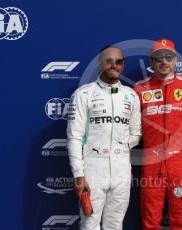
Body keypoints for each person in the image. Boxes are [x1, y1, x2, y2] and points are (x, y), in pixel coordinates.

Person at [67, 46, 141, 230]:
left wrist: (118, 149)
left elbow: (136, 133)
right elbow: (74, 136)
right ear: (100, 63)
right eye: (109, 61)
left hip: (121, 169)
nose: (113, 65)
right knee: (89, 223)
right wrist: (79, 173)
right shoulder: (84, 94)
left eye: (119, 61)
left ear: (123, 65)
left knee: (115, 224)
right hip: (93, 169)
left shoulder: (131, 96)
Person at [134, 38, 182, 229]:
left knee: (181, 216)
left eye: (168, 57)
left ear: (175, 60)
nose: (164, 61)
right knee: (149, 217)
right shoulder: (139, 89)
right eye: (158, 57)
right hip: (151, 163)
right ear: (151, 62)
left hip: (179, 161)